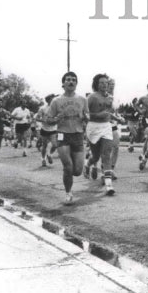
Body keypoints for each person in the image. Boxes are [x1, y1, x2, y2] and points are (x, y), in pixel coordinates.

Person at [45, 71, 89, 205]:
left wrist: (85, 118)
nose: (71, 82)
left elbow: (87, 116)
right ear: (63, 84)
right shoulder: (56, 101)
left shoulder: (82, 99)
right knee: (68, 167)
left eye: (74, 80)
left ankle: (82, 169)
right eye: (68, 80)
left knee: (77, 171)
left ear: (76, 84)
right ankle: (68, 193)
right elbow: (47, 119)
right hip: (62, 134)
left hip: (78, 134)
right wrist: (57, 118)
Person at [84, 73, 118, 195]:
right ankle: (88, 164)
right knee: (96, 156)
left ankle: (109, 185)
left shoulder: (109, 97)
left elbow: (108, 112)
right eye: (101, 83)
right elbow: (85, 114)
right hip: (93, 127)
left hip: (106, 126)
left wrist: (117, 118)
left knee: (106, 154)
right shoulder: (92, 97)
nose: (104, 85)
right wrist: (97, 115)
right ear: (96, 85)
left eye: (106, 83)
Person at [36, 94, 58, 167]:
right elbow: (37, 118)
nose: (54, 100)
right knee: (44, 145)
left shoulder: (56, 108)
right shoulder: (42, 108)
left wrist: (55, 121)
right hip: (45, 129)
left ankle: (49, 154)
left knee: (55, 145)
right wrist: (44, 120)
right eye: (52, 99)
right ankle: (43, 159)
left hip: (53, 129)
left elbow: (59, 117)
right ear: (48, 100)